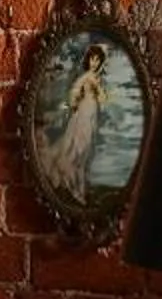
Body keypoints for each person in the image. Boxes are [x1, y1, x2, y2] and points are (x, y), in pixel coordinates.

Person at [39, 39, 111, 197]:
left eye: (98, 60)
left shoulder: (95, 78)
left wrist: (98, 89)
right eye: (92, 59)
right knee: (77, 149)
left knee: (85, 151)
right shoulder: (87, 77)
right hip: (84, 114)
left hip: (92, 115)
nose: (94, 62)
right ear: (88, 60)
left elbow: (104, 99)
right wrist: (75, 103)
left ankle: (79, 186)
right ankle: (73, 186)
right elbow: (73, 92)